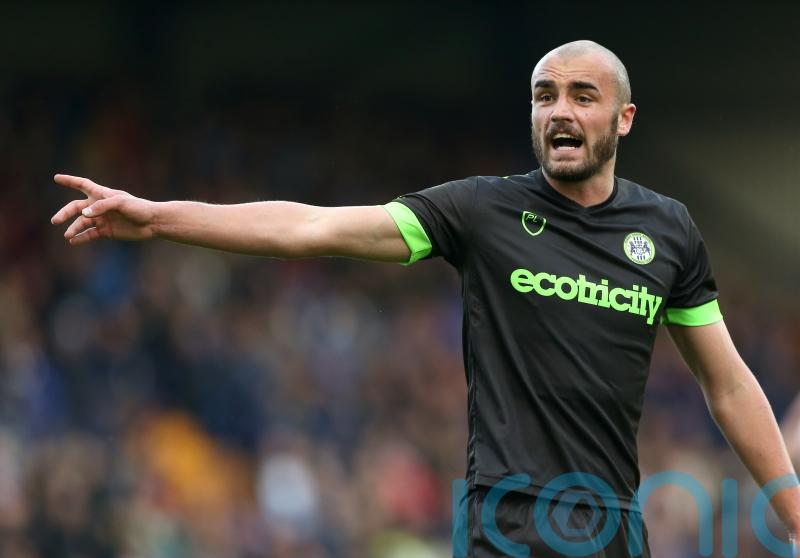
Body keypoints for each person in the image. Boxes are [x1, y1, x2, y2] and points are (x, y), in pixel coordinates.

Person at [51, 40, 799, 557]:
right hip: (505, 516)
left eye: (583, 96)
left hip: (611, 522)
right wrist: (157, 217)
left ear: (623, 118)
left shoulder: (666, 230)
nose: (560, 111)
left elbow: (727, 382)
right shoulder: (481, 211)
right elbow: (312, 229)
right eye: (545, 96)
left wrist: (791, 508)